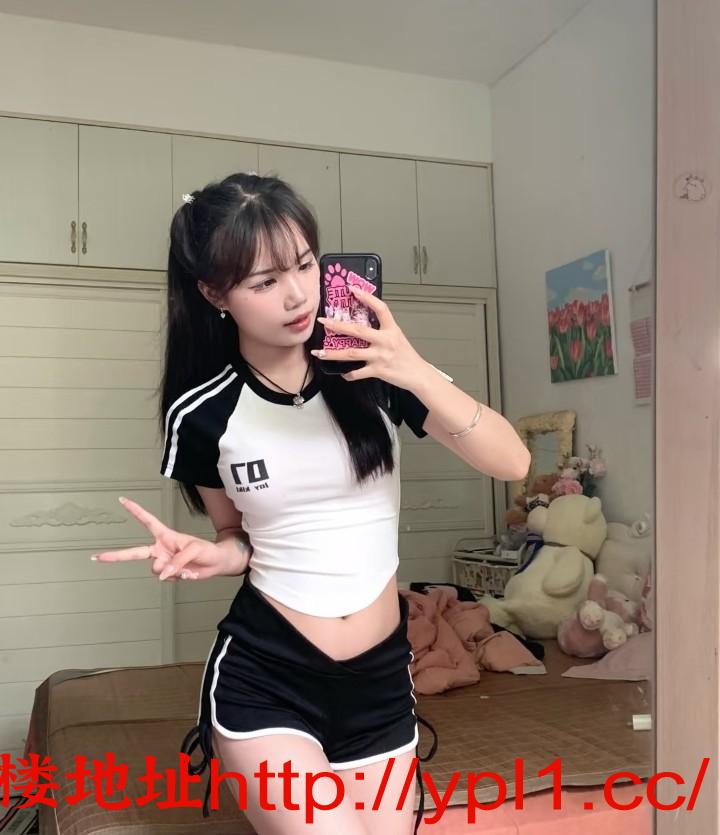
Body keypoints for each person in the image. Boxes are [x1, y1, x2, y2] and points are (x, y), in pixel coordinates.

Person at [93, 172, 530, 834]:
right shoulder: (202, 413)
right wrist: (217, 554)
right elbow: (240, 537)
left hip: (381, 680)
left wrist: (411, 368)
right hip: (269, 676)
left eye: (304, 264)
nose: (297, 293)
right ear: (214, 292)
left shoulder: (378, 372)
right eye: (264, 281)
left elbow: (514, 462)